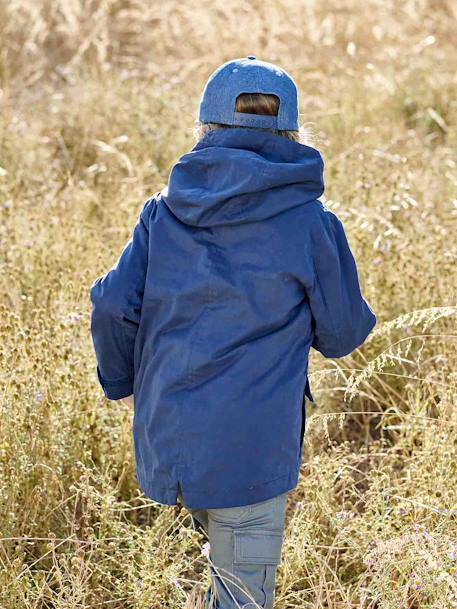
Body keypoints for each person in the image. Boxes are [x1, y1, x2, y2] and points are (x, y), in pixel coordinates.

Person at [89, 56, 377, 609]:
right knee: (243, 596)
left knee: (223, 580)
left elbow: (109, 305)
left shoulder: (162, 213)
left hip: (167, 437)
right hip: (251, 448)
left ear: (206, 127)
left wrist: (125, 384)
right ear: (292, 131)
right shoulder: (312, 222)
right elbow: (341, 336)